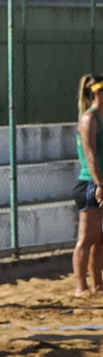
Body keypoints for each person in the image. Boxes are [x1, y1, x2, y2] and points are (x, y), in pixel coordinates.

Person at [72, 74, 103, 297]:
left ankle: (98, 285)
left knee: (99, 238)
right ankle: (81, 287)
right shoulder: (89, 118)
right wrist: (99, 183)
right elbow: (90, 155)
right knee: (87, 237)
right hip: (90, 183)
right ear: (98, 93)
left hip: (101, 182)